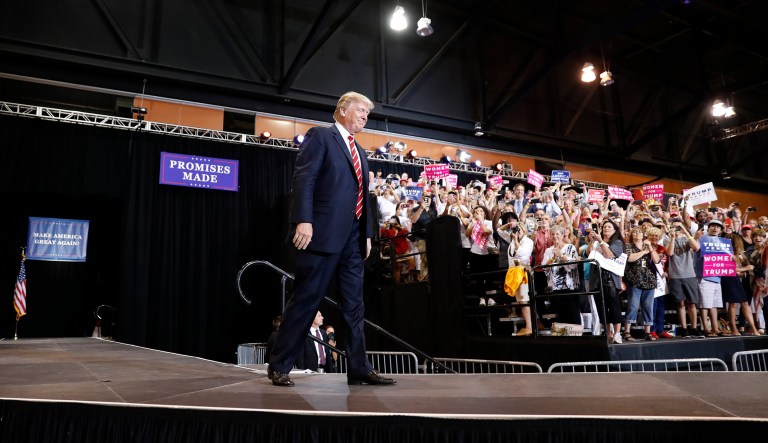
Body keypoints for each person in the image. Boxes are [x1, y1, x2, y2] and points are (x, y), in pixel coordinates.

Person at [267, 91, 395, 387]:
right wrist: (303, 220)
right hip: (321, 235)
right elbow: (305, 178)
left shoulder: (360, 151)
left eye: (367, 113)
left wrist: (366, 235)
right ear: (342, 110)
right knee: (307, 299)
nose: (365, 116)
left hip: (352, 239)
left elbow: (364, 196)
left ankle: (359, 368)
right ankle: (280, 364)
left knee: (354, 305)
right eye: (361, 110)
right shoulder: (321, 137)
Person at [586, 220, 624, 343]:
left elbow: (609, 255)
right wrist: (593, 240)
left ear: (614, 230)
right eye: (604, 227)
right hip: (596, 279)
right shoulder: (597, 241)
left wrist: (601, 242)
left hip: (611, 279)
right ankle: (607, 334)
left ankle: (617, 333)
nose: (606, 228)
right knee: (601, 308)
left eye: (609, 226)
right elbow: (588, 254)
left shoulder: (617, 242)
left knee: (614, 307)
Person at [666, 216, 704, 338]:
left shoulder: (687, 238)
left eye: (678, 226)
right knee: (680, 303)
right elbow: (670, 253)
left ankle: (693, 327)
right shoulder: (667, 239)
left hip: (689, 274)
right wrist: (672, 237)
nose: (676, 229)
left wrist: (685, 231)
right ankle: (684, 328)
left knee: (692, 303)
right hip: (675, 275)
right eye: (674, 227)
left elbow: (696, 247)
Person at [622, 226, 659, 341]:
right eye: (635, 232)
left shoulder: (649, 246)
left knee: (648, 306)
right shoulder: (628, 246)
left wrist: (650, 249)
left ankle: (647, 332)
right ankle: (627, 331)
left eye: (639, 232)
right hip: (634, 280)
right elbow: (630, 258)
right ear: (632, 235)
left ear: (644, 235)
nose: (637, 234)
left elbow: (657, 260)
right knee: (633, 305)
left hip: (649, 280)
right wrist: (644, 252)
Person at [694, 219, 728, 336]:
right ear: (708, 228)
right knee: (704, 305)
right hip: (704, 277)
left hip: (717, 277)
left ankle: (715, 328)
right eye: (712, 226)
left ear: (721, 230)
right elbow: (695, 248)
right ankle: (705, 328)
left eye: (718, 227)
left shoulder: (723, 242)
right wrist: (695, 237)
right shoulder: (702, 239)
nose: (715, 228)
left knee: (714, 305)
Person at [505, 223, 534, 336]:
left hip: (523, 272)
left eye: (520, 229)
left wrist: (516, 240)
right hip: (513, 272)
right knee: (520, 300)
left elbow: (522, 254)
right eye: (516, 229)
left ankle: (529, 326)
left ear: (524, 230)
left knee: (524, 299)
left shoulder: (528, 241)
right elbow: (499, 231)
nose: (517, 231)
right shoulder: (512, 241)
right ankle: (530, 324)